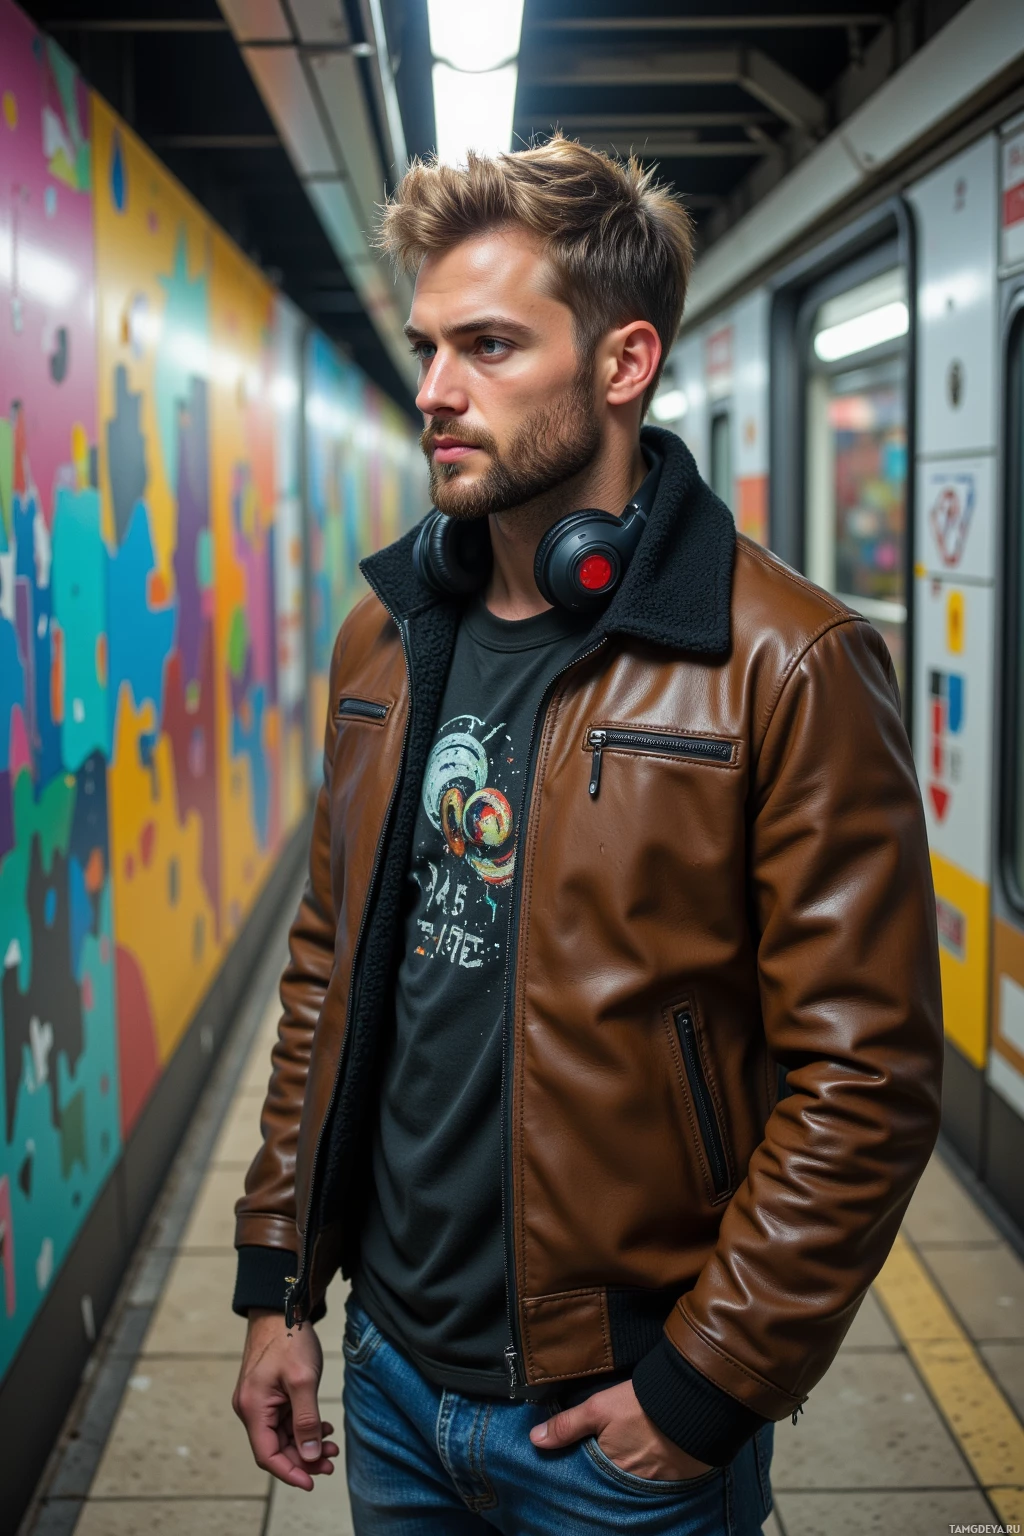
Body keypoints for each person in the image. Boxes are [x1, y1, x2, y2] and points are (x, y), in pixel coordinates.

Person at [230, 136, 943, 1535]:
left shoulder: (783, 663)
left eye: (490, 345)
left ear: (623, 365)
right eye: (429, 346)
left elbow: (866, 1075)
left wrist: (705, 1388)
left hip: (610, 1419)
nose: (435, 390)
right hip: (388, 1380)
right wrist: (278, 1287)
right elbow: (329, 969)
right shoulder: (388, 638)